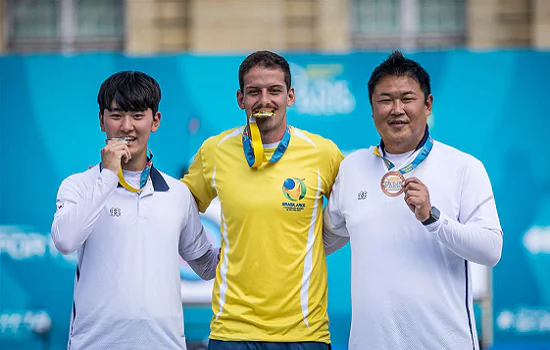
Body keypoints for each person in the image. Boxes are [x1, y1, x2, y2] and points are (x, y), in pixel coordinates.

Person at [323, 51, 503, 350]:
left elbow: (491, 250)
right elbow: (324, 241)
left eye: (407, 98)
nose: (396, 109)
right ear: (372, 109)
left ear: (428, 104)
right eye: (385, 100)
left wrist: (433, 218)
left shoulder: (463, 167)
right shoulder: (352, 167)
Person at [182, 50, 344, 349]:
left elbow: (351, 213)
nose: (264, 100)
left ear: (291, 96)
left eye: (275, 91)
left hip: (304, 333)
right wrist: (204, 260)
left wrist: (310, 248)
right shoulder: (215, 151)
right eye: (254, 92)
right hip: (232, 330)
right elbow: (178, 210)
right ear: (241, 99)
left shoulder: (323, 153)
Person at [51, 71, 219, 350]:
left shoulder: (177, 193)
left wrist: (245, 245)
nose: (127, 126)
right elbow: (65, 241)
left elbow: (205, 265)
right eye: (116, 115)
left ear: (155, 121)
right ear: (101, 121)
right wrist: (107, 177)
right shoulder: (79, 185)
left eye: (138, 116)